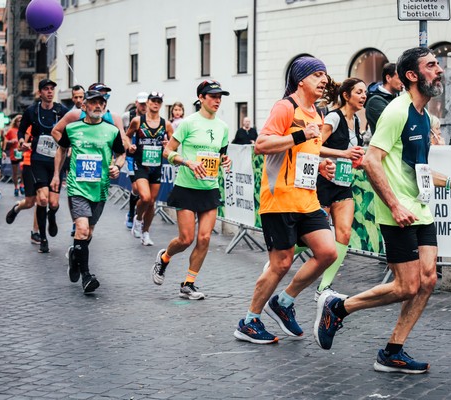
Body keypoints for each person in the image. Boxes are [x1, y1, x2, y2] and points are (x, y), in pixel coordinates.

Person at [314, 47, 451, 373]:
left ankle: (392, 351)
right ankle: (338, 307)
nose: (439, 70)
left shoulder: (424, 116)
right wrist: (394, 204)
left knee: (427, 280)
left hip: (420, 207)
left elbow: (415, 168)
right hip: (397, 210)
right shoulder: (396, 112)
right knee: (406, 286)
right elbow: (373, 162)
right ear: (413, 76)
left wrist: (450, 182)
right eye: (432, 65)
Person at [232, 56, 337, 345]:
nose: (323, 80)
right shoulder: (285, 107)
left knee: (328, 253)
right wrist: (301, 134)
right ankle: (249, 321)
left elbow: (303, 156)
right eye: (317, 74)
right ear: (301, 79)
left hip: (307, 199)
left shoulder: (317, 113)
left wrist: (320, 166)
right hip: (280, 199)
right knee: (280, 264)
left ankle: (285, 301)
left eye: (325, 75)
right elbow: (261, 145)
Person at [151, 80, 232, 299]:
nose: (217, 100)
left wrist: (226, 161)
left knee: (204, 238)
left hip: (210, 187)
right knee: (185, 239)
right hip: (186, 187)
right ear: (201, 98)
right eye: (213, 96)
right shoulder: (188, 123)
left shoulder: (223, 127)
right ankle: (165, 257)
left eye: (220, 97)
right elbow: (167, 152)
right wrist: (188, 162)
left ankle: (188, 283)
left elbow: (222, 153)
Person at [51, 90, 126, 293]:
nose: (98, 106)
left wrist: (117, 166)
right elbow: (61, 150)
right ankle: (86, 276)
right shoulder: (73, 128)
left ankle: (75, 256)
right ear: (84, 106)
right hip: (77, 187)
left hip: (100, 187)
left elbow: (121, 154)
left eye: (101, 102)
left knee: (88, 232)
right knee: (82, 229)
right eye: (94, 102)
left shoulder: (111, 131)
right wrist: (56, 176)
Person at [312, 77, 366, 300]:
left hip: (343, 184)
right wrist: (343, 154)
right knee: (315, 238)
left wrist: (357, 158)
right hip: (324, 182)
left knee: (343, 233)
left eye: (365, 92)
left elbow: (351, 151)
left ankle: (323, 287)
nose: (364, 96)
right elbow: (315, 147)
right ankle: (279, 259)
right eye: (359, 92)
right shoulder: (334, 117)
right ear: (346, 95)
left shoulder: (356, 122)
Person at [9, 79, 69, 253]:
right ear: (40, 92)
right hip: (37, 160)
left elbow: (70, 129)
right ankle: (43, 238)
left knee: (54, 203)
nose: (50, 92)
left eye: (52, 89)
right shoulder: (32, 111)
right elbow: (22, 130)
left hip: (57, 161)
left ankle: (52, 215)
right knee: (42, 200)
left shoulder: (61, 111)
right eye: (46, 89)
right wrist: (21, 141)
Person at [126, 91, 173, 245]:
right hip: (140, 165)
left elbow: (173, 144)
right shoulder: (138, 121)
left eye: (158, 101)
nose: (155, 103)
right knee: (145, 197)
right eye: (153, 100)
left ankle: (145, 233)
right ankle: (138, 219)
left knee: (152, 202)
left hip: (156, 166)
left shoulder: (166, 124)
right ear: (147, 102)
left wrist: (168, 146)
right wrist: (130, 145)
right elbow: (127, 136)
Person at [122, 92, 149, 229]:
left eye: (146, 103)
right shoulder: (128, 117)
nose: (144, 106)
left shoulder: (151, 117)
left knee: (144, 191)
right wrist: (127, 145)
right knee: (136, 188)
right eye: (141, 103)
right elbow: (123, 134)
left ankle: (139, 214)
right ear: (136, 103)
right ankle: (131, 213)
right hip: (131, 155)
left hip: (146, 157)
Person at [365, 62, 403, 135]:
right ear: (388, 78)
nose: (403, 81)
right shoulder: (375, 101)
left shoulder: (397, 98)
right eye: (400, 78)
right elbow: (394, 125)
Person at [5, 115, 23, 196]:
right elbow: (5, 141)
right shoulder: (11, 130)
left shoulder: (24, 130)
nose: (20, 123)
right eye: (18, 121)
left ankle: (22, 185)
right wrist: (10, 141)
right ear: (15, 122)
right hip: (14, 153)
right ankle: (16, 187)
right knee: (15, 172)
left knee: (24, 171)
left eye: (21, 121)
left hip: (23, 153)